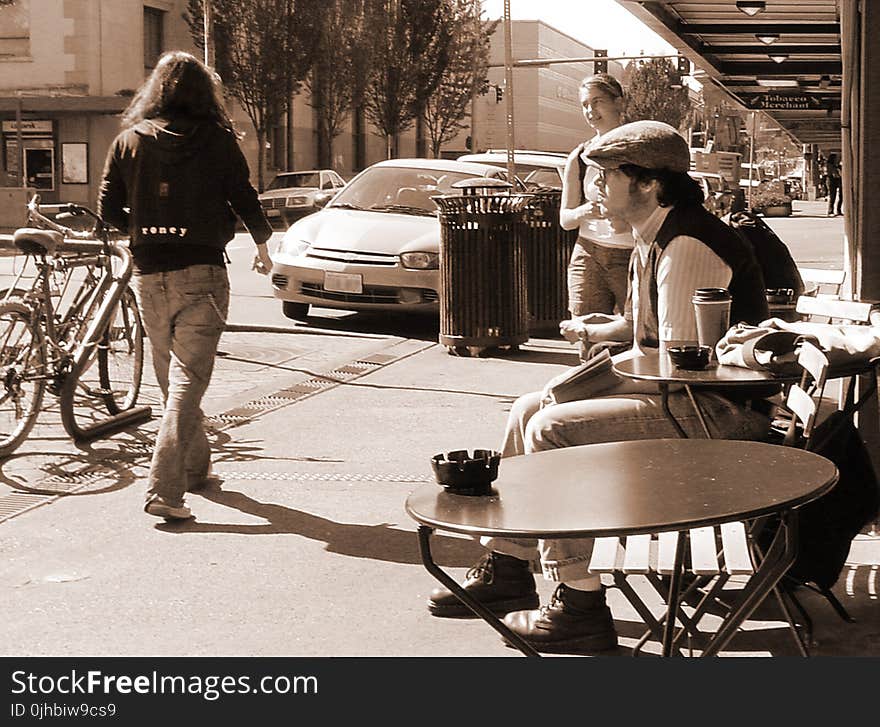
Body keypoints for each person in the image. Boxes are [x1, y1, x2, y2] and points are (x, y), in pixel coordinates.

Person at [427, 121, 774, 654]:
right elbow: (648, 328)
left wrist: (585, 383)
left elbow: (677, 361)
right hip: (692, 401)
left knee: (551, 428)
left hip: (718, 414)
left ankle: (581, 605)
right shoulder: (657, 232)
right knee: (527, 408)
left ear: (648, 183)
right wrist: (602, 332)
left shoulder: (685, 243)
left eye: (607, 176)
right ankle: (508, 564)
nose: (596, 188)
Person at [98, 51, 273, 521]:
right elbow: (243, 194)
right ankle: (164, 490)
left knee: (172, 382)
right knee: (187, 384)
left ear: (155, 89)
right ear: (203, 92)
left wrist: (147, 222)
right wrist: (262, 246)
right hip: (202, 273)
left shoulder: (128, 141)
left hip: (147, 275)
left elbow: (109, 212)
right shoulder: (216, 140)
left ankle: (196, 470)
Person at [560, 73, 632, 318]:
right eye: (585, 105)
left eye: (597, 101)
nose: (591, 110)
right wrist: (584, 211)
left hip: (631, 255)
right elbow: (565, 220)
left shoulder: (639, 150)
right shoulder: (579, 157)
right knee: (586, 331)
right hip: (588, 254)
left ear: (619, 103)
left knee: (635, 333)